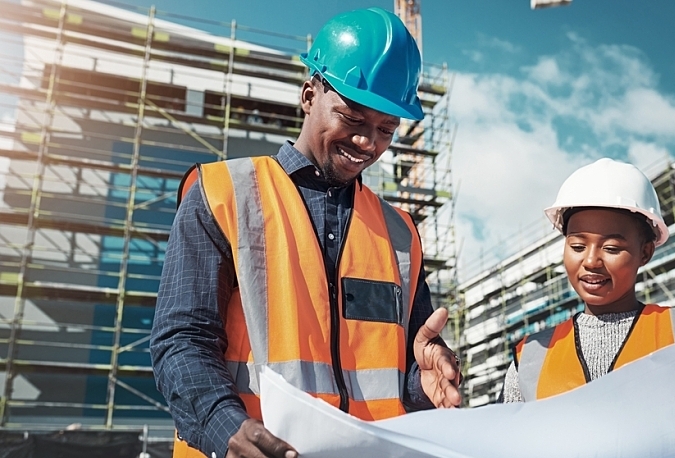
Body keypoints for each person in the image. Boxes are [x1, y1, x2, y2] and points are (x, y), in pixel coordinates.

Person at [150, 8, 461, 458]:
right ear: (309, 94)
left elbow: (401, 365)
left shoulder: (400, 235)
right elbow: (182, 341)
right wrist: (226, 428)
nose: (369, 143)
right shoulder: (223, 195)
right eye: (353, 119)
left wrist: (424, 379)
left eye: (386, 129)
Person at [500, 158, 675, 458]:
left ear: (645, 252)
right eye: (578, 246)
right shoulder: (530, 358)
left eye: (611, 248)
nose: (591, 261)